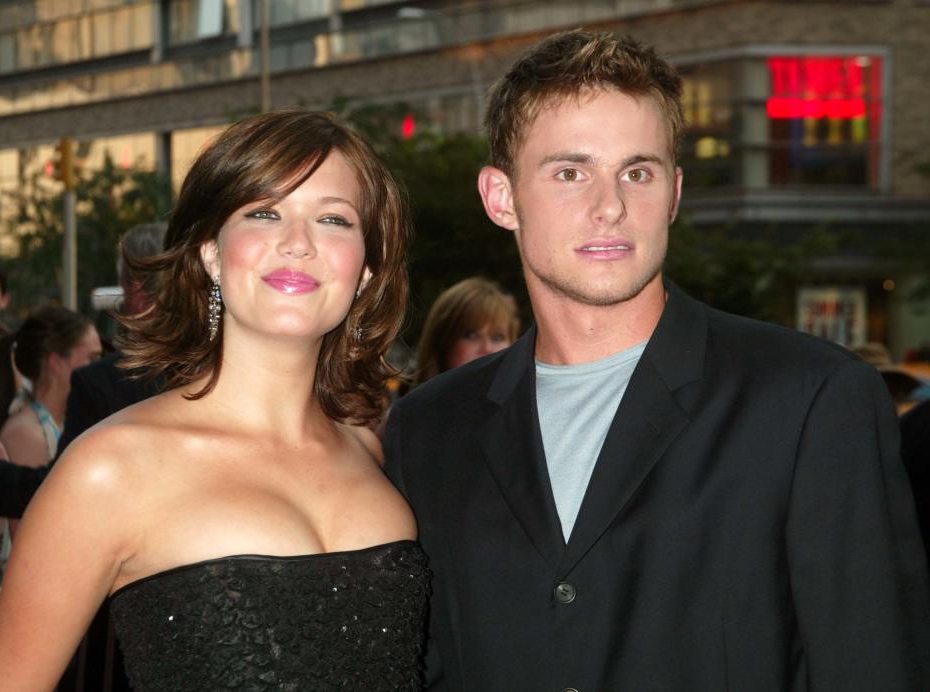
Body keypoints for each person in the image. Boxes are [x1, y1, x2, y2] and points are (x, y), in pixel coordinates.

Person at [384, 30, 930, 691]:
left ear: (673, 193)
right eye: (570, 172)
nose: (610, 205)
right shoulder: (427, 429)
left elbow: (871, 665)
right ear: (502, 198)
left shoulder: (812, 400)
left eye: (636, 172)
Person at [0, 109, 426, 691]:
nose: (298, 243)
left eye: (334, 219)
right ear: (211, 251)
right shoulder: (109, 469)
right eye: (264, 212)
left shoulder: (370, 447)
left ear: (365, 270)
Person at [0, 222, 168, 521]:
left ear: (135, 289)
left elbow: (66, 494)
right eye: (89, 356)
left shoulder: (106, 382)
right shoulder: (223, 364)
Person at [0, 306, 100, 542]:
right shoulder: (28, 433)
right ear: (56, 363)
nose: (100, 368)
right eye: (92, 358)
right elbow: (26, 533)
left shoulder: (60, 423)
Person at [413, 277, 520, 386]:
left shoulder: (529, 400)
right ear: (442, 343)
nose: (488, 349)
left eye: (497, 337)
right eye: (471, 335)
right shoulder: (415, 402)